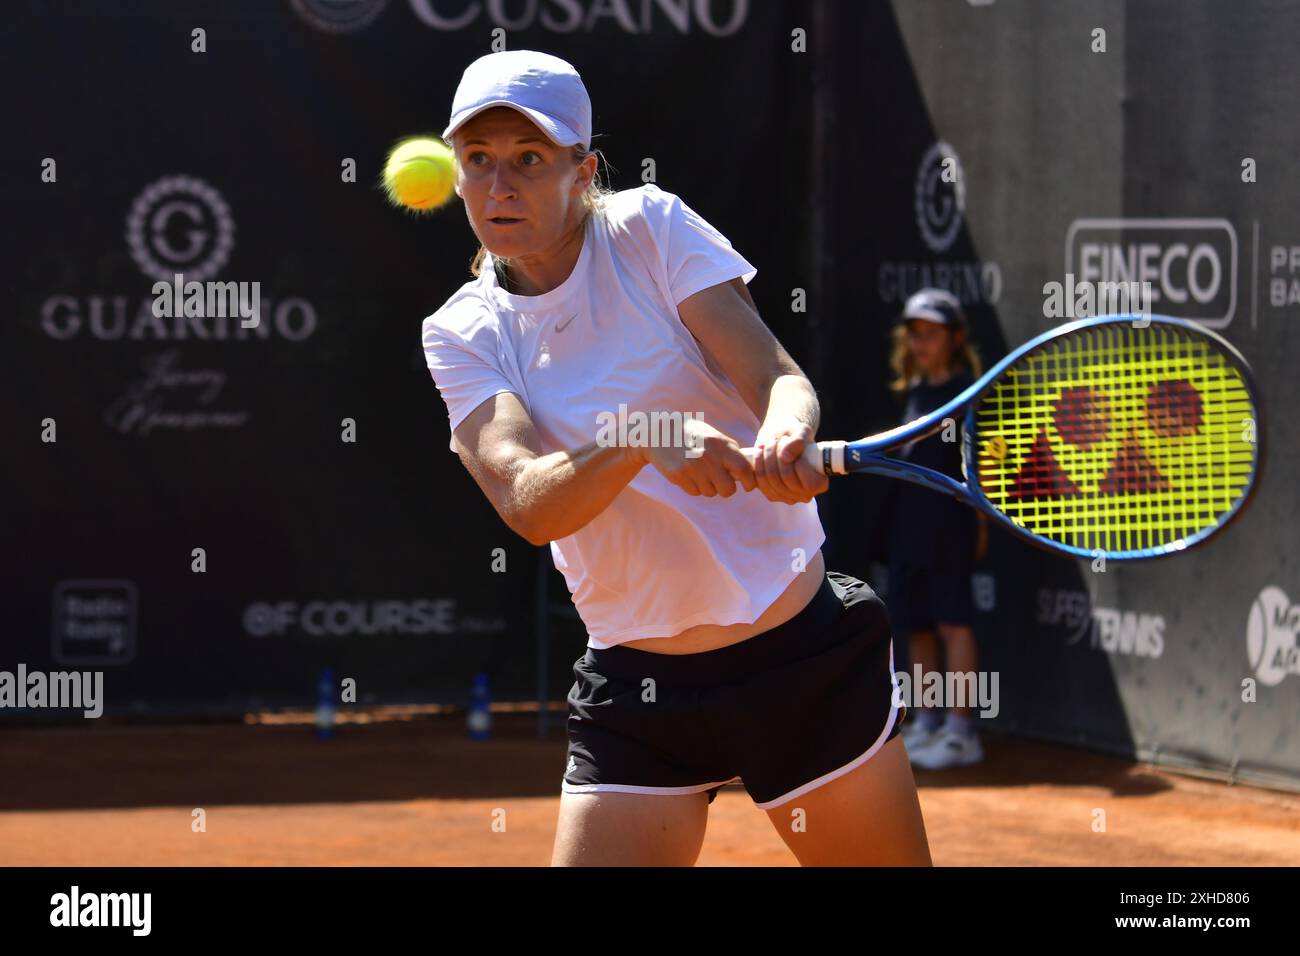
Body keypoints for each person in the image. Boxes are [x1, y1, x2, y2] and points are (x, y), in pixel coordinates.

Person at [421, 50, 931, 866]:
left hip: (796, 659)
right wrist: (645, 435)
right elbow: (528, 503)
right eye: (477, 162)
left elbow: (776, 380)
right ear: (454, 175)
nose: (498, 187)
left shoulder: (649, 230)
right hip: (637, 692)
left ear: (583, 170)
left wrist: (785, 433)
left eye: (528, 161)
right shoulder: (460, 332)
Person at [886, 289, 986, 769]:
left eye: (932, 334)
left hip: (951, 530)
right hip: (910, 530)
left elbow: (985, 473)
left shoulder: (971, 395)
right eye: (916, 334)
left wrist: (981, 529)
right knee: (918, 628)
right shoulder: (916, 393)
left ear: (955, 338)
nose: (921, 343)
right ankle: (927, 721)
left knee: (952, 624)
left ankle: (961, 731)